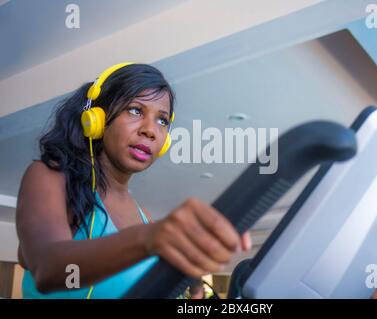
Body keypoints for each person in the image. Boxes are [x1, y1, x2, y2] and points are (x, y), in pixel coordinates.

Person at [16, 63, 251, 298]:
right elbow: (49, 270)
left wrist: (195, 283)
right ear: (96, 118)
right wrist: (149, 237)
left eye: (162, 121)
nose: (150, 130)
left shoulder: (143, 216)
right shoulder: (49, 177)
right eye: (136, 110)